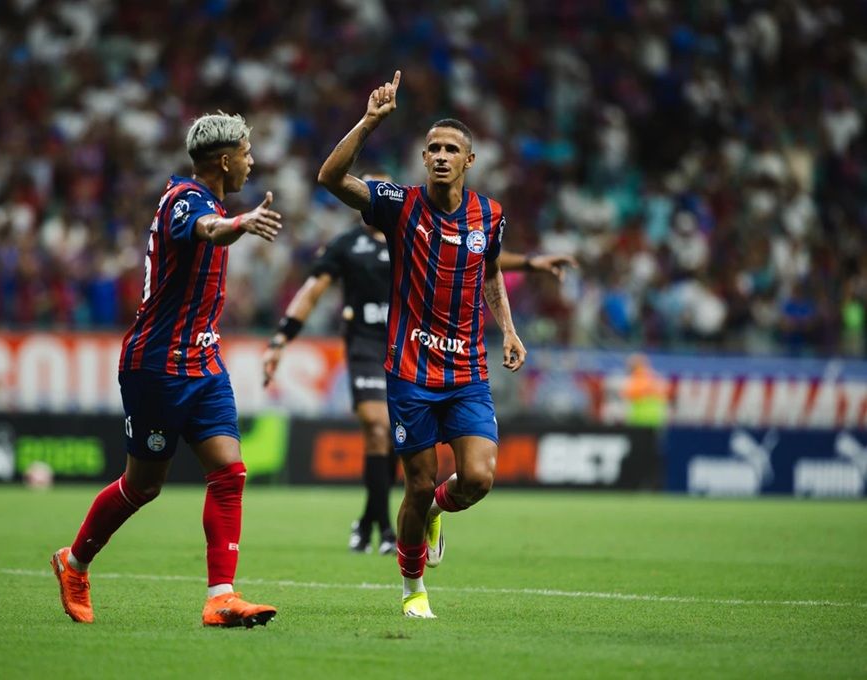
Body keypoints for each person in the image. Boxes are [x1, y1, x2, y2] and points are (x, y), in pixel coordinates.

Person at [317, 71, 575, 618]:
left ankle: (439, 510)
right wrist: (369, 122)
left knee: (478, 477)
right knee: (416, 484)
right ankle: (413, 590)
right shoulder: (398, 205)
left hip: (466, 373)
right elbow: (331, 177)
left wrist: (508, 328)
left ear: (468, 161)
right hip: (410, 371)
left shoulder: (492, 216)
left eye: (450, 148)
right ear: (423, 157)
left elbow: (487, 276)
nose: (439, 155)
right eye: (432, 147)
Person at [51, 112, 282, 628]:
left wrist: (235, 221)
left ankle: (220, 597)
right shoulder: (185, 200)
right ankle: (74, 563)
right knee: (143, 485)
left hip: (203, 361)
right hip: (156, 366)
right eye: (246, 152)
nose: (252, 161)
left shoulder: (209, 199)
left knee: (229, 471)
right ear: (224, 160)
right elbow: (207, 231)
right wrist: (238, 224)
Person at [262, 173, 399, 556]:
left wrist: (528, 264)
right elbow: (312, 292)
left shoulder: (411, 236)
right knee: (376, 427)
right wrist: (280, 339)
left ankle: (368, 521)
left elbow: (473, 256)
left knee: (396, 439)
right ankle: (386, 528)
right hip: (365, 346)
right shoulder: (345, 244)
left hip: (407, 348)